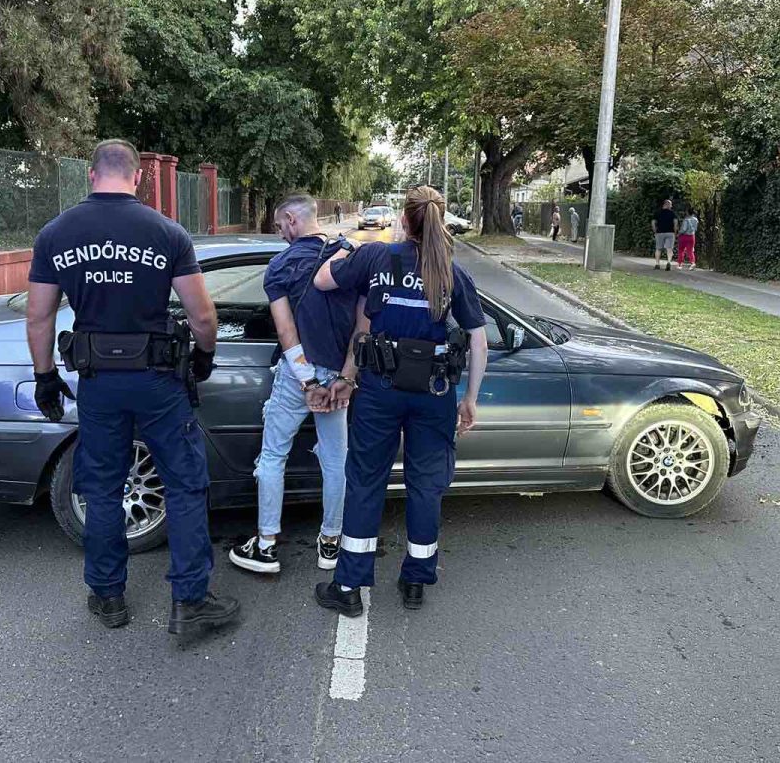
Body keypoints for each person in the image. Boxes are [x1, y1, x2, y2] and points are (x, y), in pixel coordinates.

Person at [26, 139, 240, 634]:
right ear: (139, 177)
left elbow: (38, 317)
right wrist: (204, 356)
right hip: (159, 381)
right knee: (184, 484)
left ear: (90, 174)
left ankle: (108, 598)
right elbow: (202, 315)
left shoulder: (56, 234)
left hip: (98, 383)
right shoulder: (166, 232)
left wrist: (45, 376)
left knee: (101, 488)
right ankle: (190, 601)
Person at [310, 185, 489, 615]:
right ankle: (415, 581)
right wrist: (470, 399)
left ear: (404, 220)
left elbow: (322, 280)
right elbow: (478, 341)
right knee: (426, 486)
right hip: (435, 394)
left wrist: (344, 247)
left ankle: (348, 587)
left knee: (366, 481)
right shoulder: (451, 272)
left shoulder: (376, 257)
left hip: (380, 392)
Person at [229, 194, 357, 575]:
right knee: (336, 459)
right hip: (338, 374)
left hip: (297, 376)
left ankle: (266, 545)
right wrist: (344, 377)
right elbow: (362, 325)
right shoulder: (349, 256)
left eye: (280, 226)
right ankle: (331, 543)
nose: (281, 233)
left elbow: (286, 332)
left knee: (273, 456)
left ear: (291, 219)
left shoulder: (280, 265)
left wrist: (307, 382)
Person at [652, 199, 676, 271]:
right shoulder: (672, 213)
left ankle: (657, 264)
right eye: (670, 205)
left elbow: (653, 222)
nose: (671, 206)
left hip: (660, 232)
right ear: (667, 205)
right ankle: (668, 262)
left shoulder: (657, 213)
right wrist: (675, 232)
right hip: (670, 232)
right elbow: (675, 223)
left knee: (658, 248)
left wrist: (655, 230)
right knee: (669, 248)